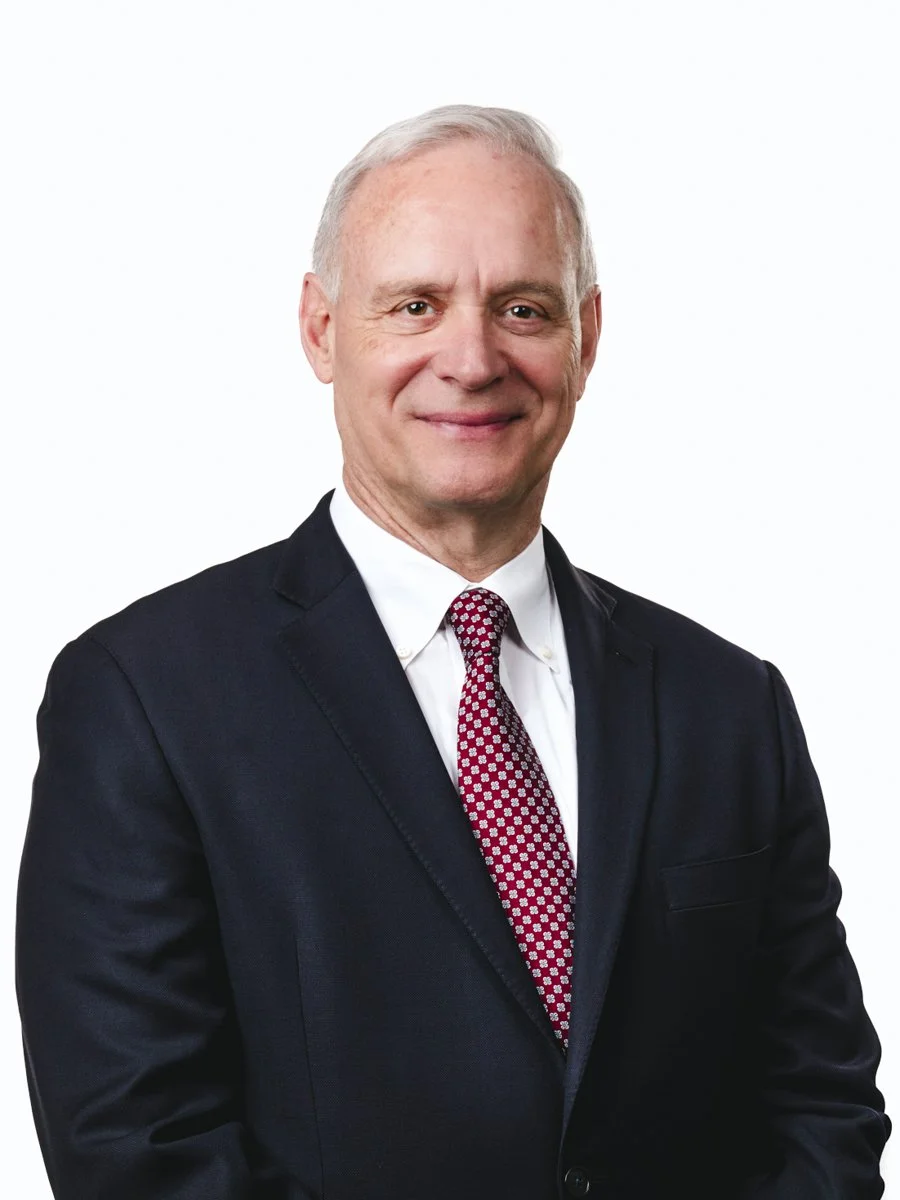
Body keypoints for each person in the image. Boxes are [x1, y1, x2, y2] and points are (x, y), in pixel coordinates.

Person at [16, 104, 890, 1199]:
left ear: (588, 336)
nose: (472, 359)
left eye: (523, 308)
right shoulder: (144, 696)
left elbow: (819, 1105)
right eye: (414, 305)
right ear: (323, 330)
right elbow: (138, 1150)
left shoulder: (729, 706)